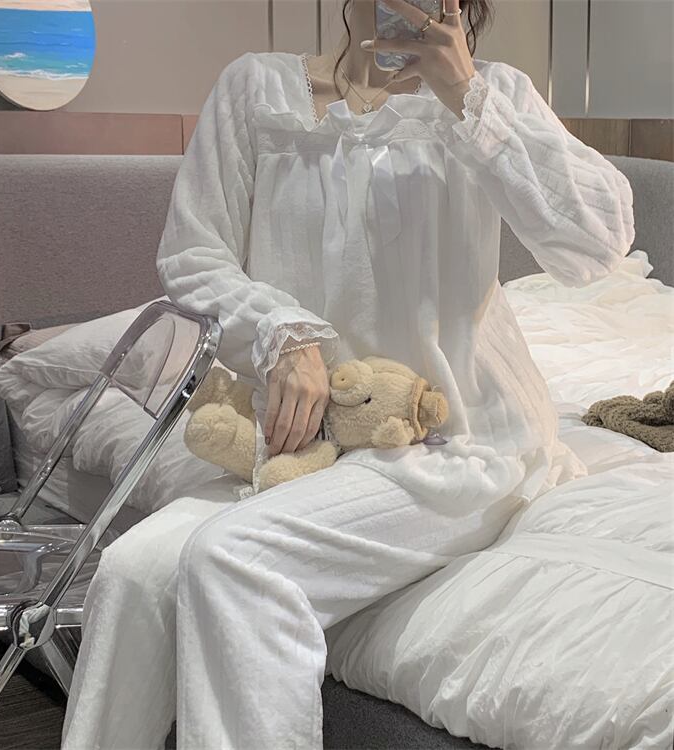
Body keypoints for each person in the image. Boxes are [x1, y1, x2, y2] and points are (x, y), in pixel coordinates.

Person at [62, 0, 635, 747]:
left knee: (237, 558)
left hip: (454, 438)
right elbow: (194, 255)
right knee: (132, 573)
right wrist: (281, 330)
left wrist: (468, 96)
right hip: (311, 438)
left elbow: (597, 244)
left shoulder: (491, 95)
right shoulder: (257, 90)